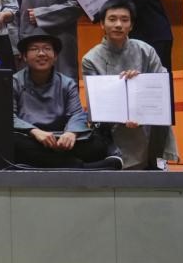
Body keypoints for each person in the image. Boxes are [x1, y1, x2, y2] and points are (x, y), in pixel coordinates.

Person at [81, 0, 177, 169]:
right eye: (112, 19)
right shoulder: (91, 59)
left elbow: (161, 88)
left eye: (124, 20)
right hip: (112, 123)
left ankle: (157, 163)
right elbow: (97, 105)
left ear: (131, 25)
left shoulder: (146, 50)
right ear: (102, 24)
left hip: (148, 117)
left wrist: (140, 82)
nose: (118, 25)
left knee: (160, 120)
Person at [13, 31, 121, 169]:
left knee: (97, 145)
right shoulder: (14, 82)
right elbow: (8, 117)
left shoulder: (67, 83)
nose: (41, 54)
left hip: (60, 138)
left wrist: (71, 133)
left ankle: (55, 164)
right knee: (13, 143)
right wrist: (34, 131)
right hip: (30, 137)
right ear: (24, 57)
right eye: (34, 49)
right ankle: (83, 168)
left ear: (55, 56)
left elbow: (77, 114)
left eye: (47, 49)